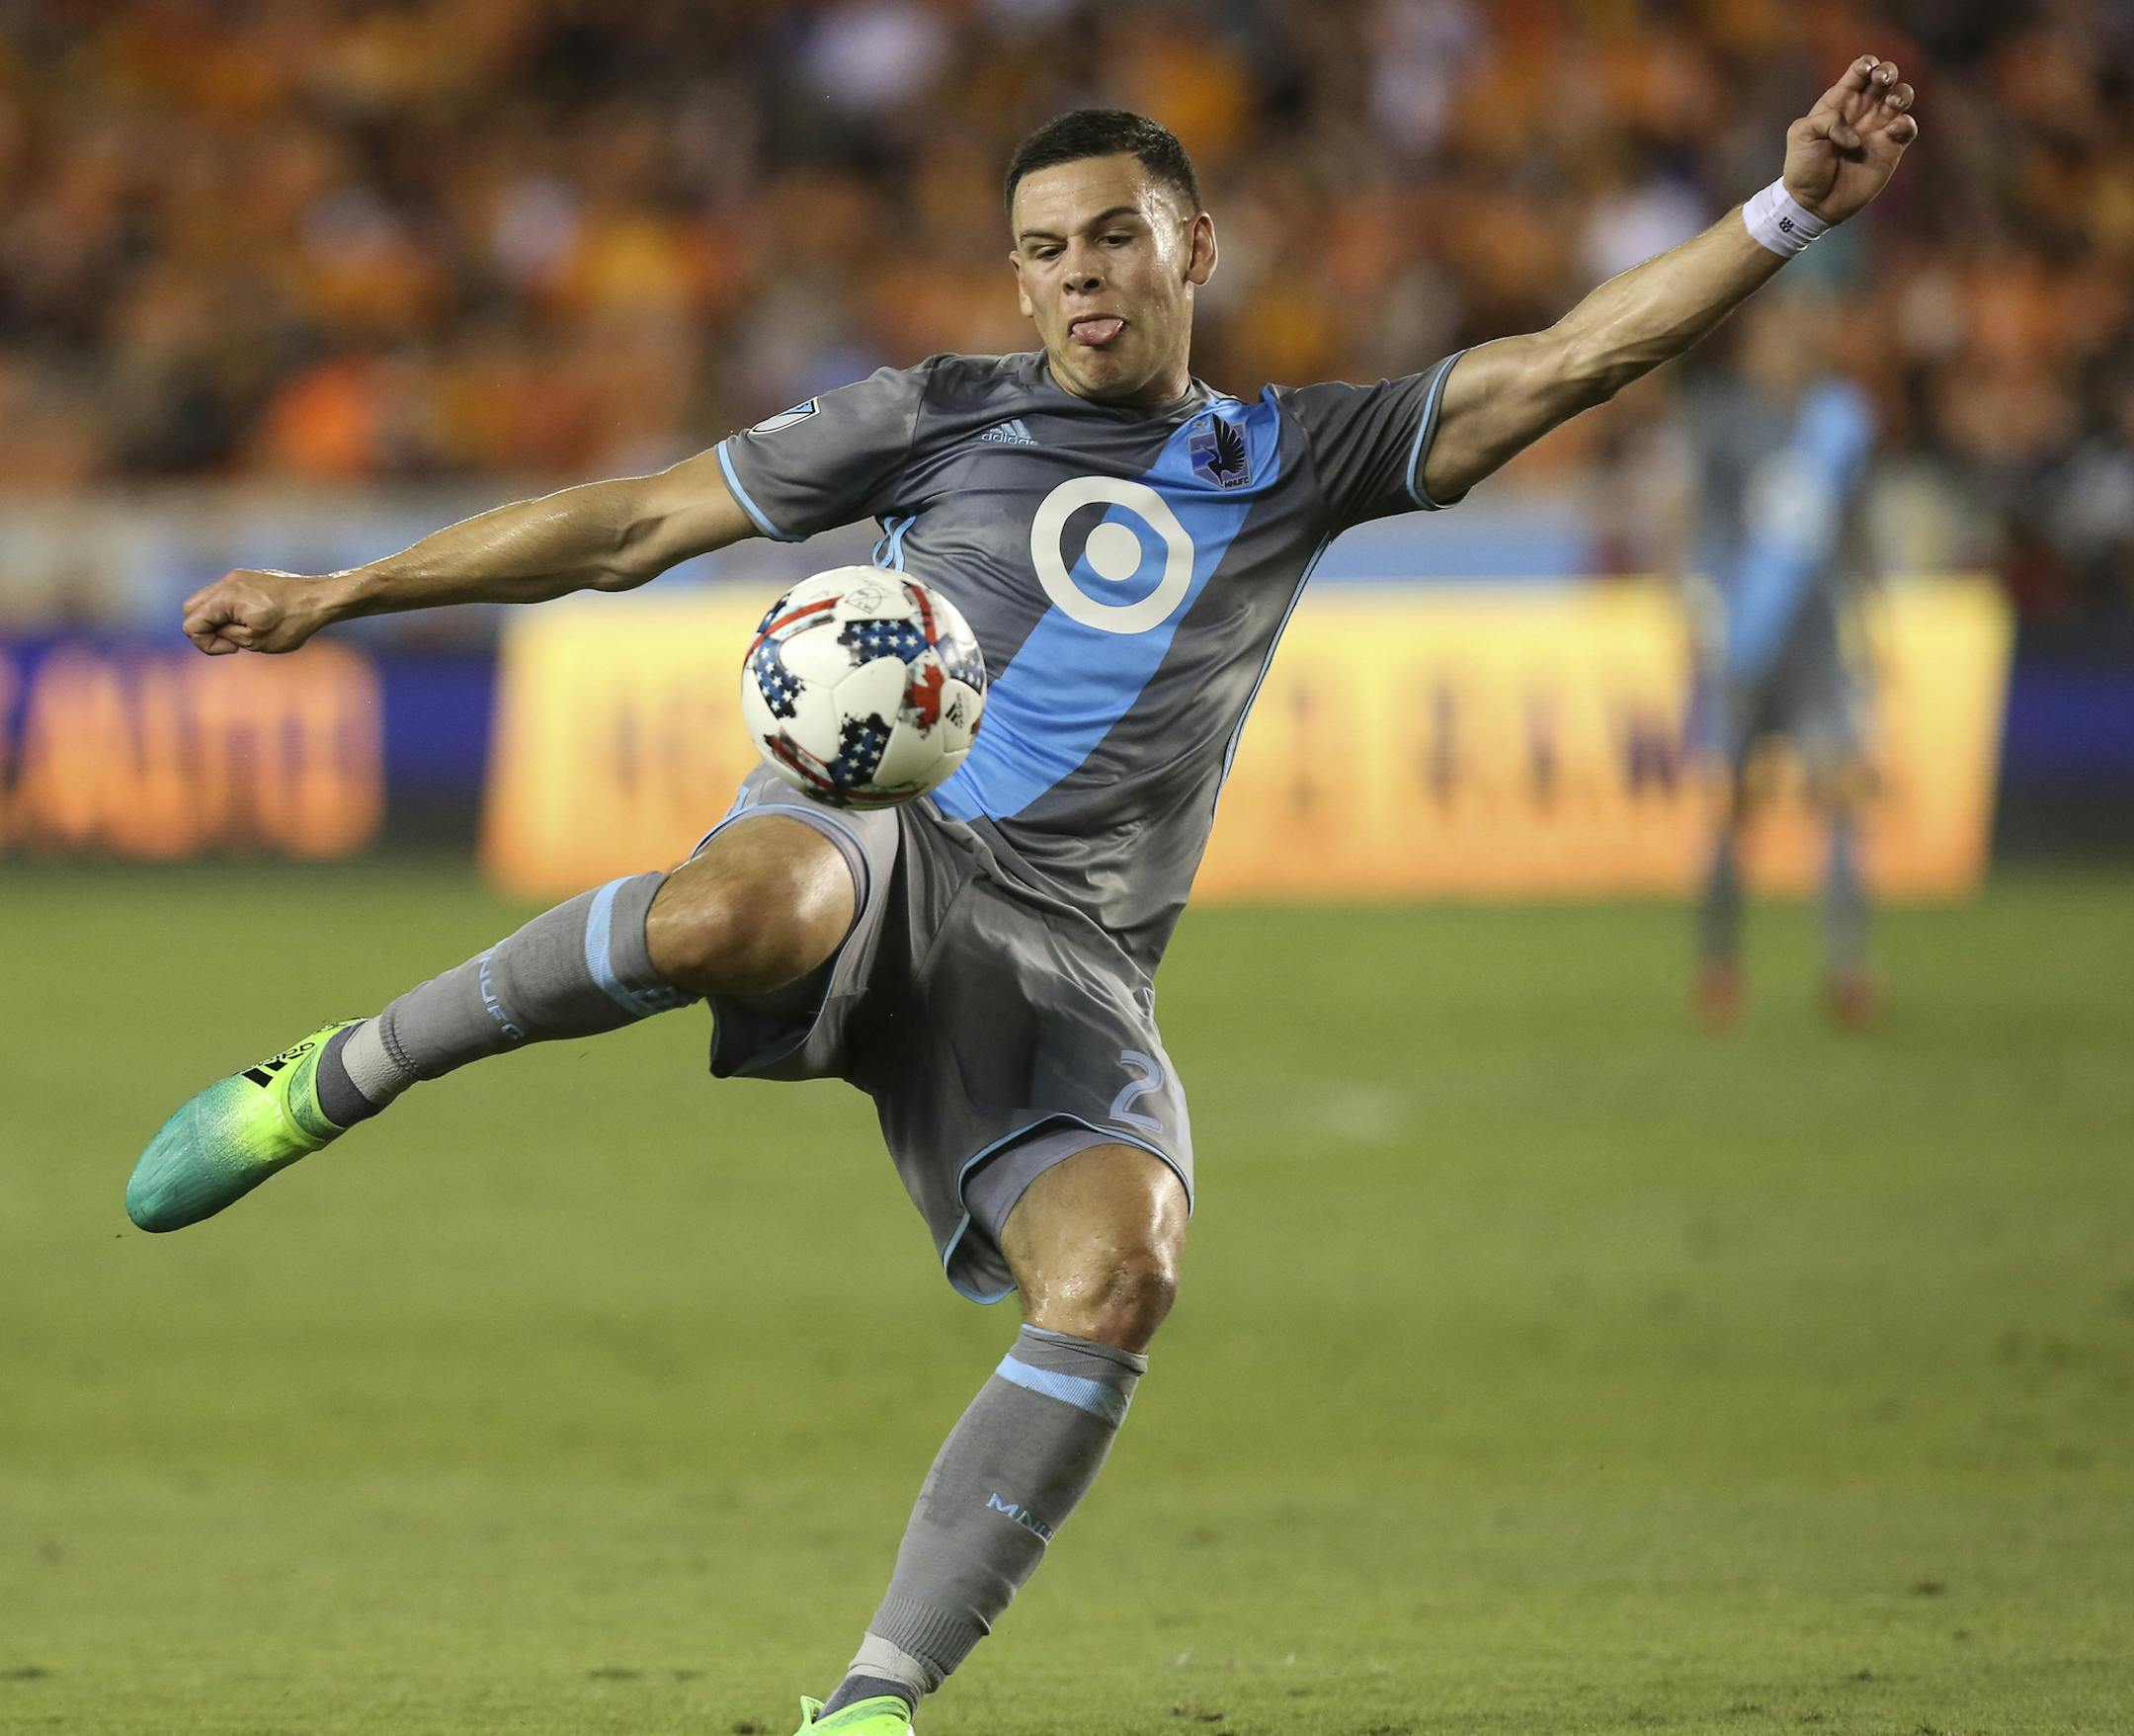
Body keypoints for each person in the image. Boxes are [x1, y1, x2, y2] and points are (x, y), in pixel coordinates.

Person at [125, 59, 1919, 1736]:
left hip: (1069, 950)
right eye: (1045, 251)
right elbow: (629, 527)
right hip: (884, 832)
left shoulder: (1297, 458)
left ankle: (870, 1699)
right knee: (724, 914)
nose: (1081, 279)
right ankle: (326, 1079)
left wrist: (1786, 213)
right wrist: (339, 591)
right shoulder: (930, 420)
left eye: (1116, 238)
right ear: (1016, 278)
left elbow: (1566, 361)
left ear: (1194, 247)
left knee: (1118, 1267)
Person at [1673, 291, 1882, 1029]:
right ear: (1758, 342)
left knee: (1840, 797)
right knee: (1732, 809)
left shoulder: (1839, 422)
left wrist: (1872, 615)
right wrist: (1697, 605)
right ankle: (1719, 963)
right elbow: (1698, 518)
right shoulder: (1728, 420)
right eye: (1781, 332)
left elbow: (1855, 525)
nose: (1793, 345)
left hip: (1818, 643)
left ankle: (1848, 968)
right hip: (1746, 643)